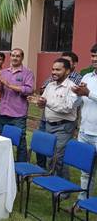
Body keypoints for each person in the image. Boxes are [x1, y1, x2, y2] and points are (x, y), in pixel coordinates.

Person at [35, 58, 81, 186]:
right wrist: (39, 102)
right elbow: (43, 102)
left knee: (59, 157)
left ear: (67, 71)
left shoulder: (72, 87)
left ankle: (63, 186)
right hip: (49, 125)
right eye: (53, 69)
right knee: (51, 155)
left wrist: (47, 103)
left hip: (64, 127)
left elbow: (67, 107)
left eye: (58, 69)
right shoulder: (50, 85)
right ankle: (54, 181)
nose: (54, 72)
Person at [0, 48, 34, 162]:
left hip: (18, 114)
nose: (14, 58)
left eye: (17, 56)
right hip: (3, 112)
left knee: (21, 142)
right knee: (3, 140)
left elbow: (29, 90)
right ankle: (5, 163)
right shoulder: (4, 72)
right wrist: (0, 86)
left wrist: (9, 85)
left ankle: (20, 166)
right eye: (13, 55)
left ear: (22, 58)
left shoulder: (27, 73)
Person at [72, 44, 97, 202]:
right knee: (85, 171)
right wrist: (77, 95)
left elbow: (90, 95)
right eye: (93, 56)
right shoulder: (87, 77)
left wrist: (88, 93)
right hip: (85, 131)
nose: (94, 59)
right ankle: (83, 202)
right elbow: (80, 102)